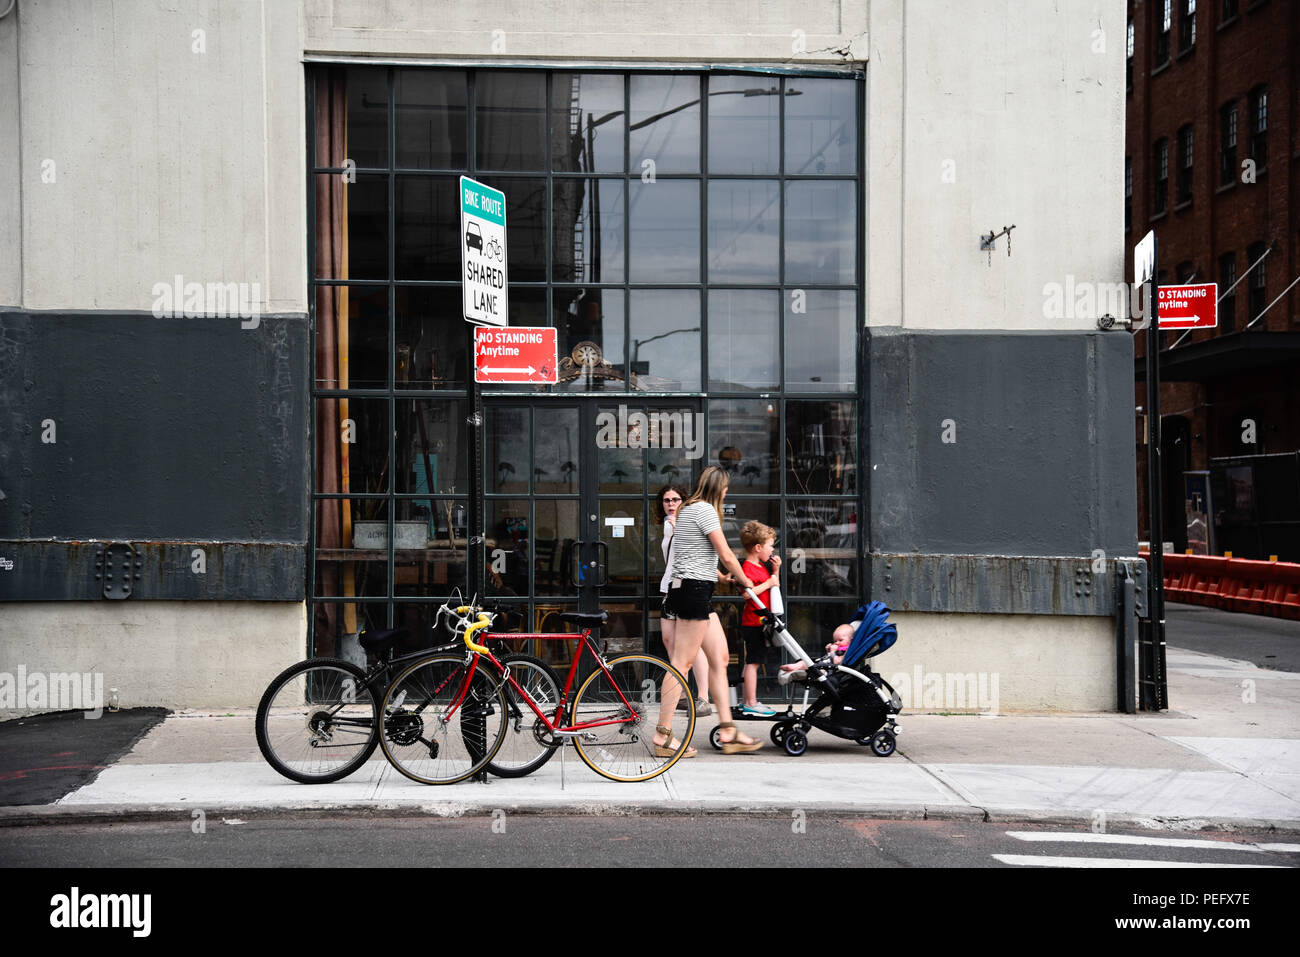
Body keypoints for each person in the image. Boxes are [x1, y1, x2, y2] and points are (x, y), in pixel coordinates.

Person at [654, 466, 762, 754]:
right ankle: (663, 735)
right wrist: (745, 578)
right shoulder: (704, 510)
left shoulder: (690, 509)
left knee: (720, 656)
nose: (727, 492)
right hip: (692, 592)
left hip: (694, 590)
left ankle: (728, 730)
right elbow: (726, 552)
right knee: (681, 663)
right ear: (719, 488)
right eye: (726, 488)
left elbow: (696, 554)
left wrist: (722, 576)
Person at [655, 483, 713, 718]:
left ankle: (702, 698)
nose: (670, 504)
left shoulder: (686, 523)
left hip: (689, 587)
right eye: (667, 500)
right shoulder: (668, 526)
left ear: (684, 501)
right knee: (670, 640)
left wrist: (679, 525)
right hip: (670, 587)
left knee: (692, 645)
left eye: (675, 499)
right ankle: (681, 694)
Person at [738, 520, 781, 715]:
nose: (772, 550)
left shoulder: (762, 567)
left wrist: (776, 572)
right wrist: (769, 582)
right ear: (758, 548)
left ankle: (748, 700)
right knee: (753, 662)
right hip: (753, 622)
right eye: (770, 546)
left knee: (754, 661)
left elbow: (775, 586)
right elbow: (747, 594)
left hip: (761, 623)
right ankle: (751, 703)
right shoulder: (747, 568)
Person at [778, 623, 855, 678]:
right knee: (805, 661)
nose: (837, 643)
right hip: (822, 664)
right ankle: (795, 667)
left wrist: (832, 652)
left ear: (851, 640)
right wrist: (828, 651)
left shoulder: (847, 651)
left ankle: (797, 668)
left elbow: (837, 662)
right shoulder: (838, 648)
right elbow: (828, 658)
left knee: (817, 670)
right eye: (835, 641)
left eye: (840, 640)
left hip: (829, 670)